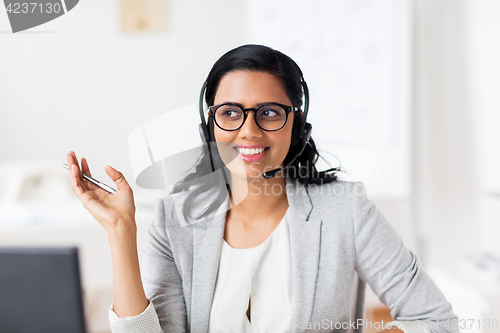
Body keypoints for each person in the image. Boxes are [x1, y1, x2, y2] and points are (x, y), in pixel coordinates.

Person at [66, 44, 459, 333]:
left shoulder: (345, 209)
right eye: (231, 113)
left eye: (269, 112)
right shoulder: (176, 218)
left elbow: (437, 321)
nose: (249, 131)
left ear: (296, 125)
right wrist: (121, 232)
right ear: (211, 126)